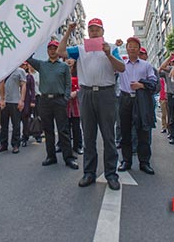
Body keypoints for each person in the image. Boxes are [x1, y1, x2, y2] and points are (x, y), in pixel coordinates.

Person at [57, 19, 125, 190]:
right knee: (88, 135)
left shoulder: (112, 48)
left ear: (103, 31)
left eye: (97, 29)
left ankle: (111, 174)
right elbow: (60, 51)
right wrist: (68, 31)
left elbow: (122, 68)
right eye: (91, 29)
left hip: (106, 93)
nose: (94, 32)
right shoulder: (80, 49)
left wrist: (109, 54)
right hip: (86, 93)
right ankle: (89, 173)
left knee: (108, 136)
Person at [27, 41, 78, 170]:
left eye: (55, 48)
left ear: (58, 50)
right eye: (50, 48)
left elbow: (68, 84)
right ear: (47, 51)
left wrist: (66, 98)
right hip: (45, 101)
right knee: (48, 130)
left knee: (63, 130)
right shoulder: (42, 65)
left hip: (59, 100)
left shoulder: (64, 66)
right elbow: (28, 58)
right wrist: (31, 46)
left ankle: (69, 158)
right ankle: (51, 156)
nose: (52, 50)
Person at [117, 37, 158, 174]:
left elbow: (153, 82)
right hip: (125, 99)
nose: (132, 48)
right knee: (125, 132)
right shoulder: (121, 63)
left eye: (135, 46)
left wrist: (141, 85)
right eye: (130, 46)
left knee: (143, 132)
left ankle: (144, 162)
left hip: (141, 100)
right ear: (127, 48)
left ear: (139, 49)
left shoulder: (146, 65)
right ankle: (126, 161)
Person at [0, 66, 26, 154]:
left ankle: (16, 144)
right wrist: (2, 99)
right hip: (5, 101)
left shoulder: (20, 71)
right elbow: (1, 83)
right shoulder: (3, 69)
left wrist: (22, 100)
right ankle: (3, 144)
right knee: (3, 124)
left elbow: (23, 85)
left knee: (16, 124)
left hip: (15, 101)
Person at [65, 58, 83, 155]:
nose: (69, 61)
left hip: (76, 104)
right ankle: (64, 146)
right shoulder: (62, 71)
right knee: (64, 127)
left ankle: (78, 146)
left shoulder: (80, 72)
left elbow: (83, 86)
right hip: (65, 105)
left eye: (71, 59)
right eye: (67, 59)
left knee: (76, 127)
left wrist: (76, 92)